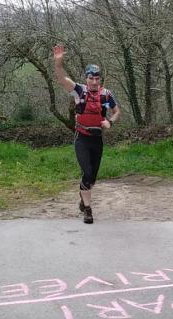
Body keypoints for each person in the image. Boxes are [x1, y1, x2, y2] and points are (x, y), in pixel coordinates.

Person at [52, 45, 121, 224]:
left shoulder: (106, 95)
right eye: (91, 78)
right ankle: (88, 210)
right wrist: (58, 64)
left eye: (97, 78)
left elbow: (117, 111)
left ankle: (83, 199)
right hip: (81, 138)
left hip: (97, 140)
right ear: (86, 78)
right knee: (87, 173)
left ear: (100, 79)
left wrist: (110, 121)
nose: (94, 81)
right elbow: (62, 79)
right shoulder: (79, 91)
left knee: (92, 179)